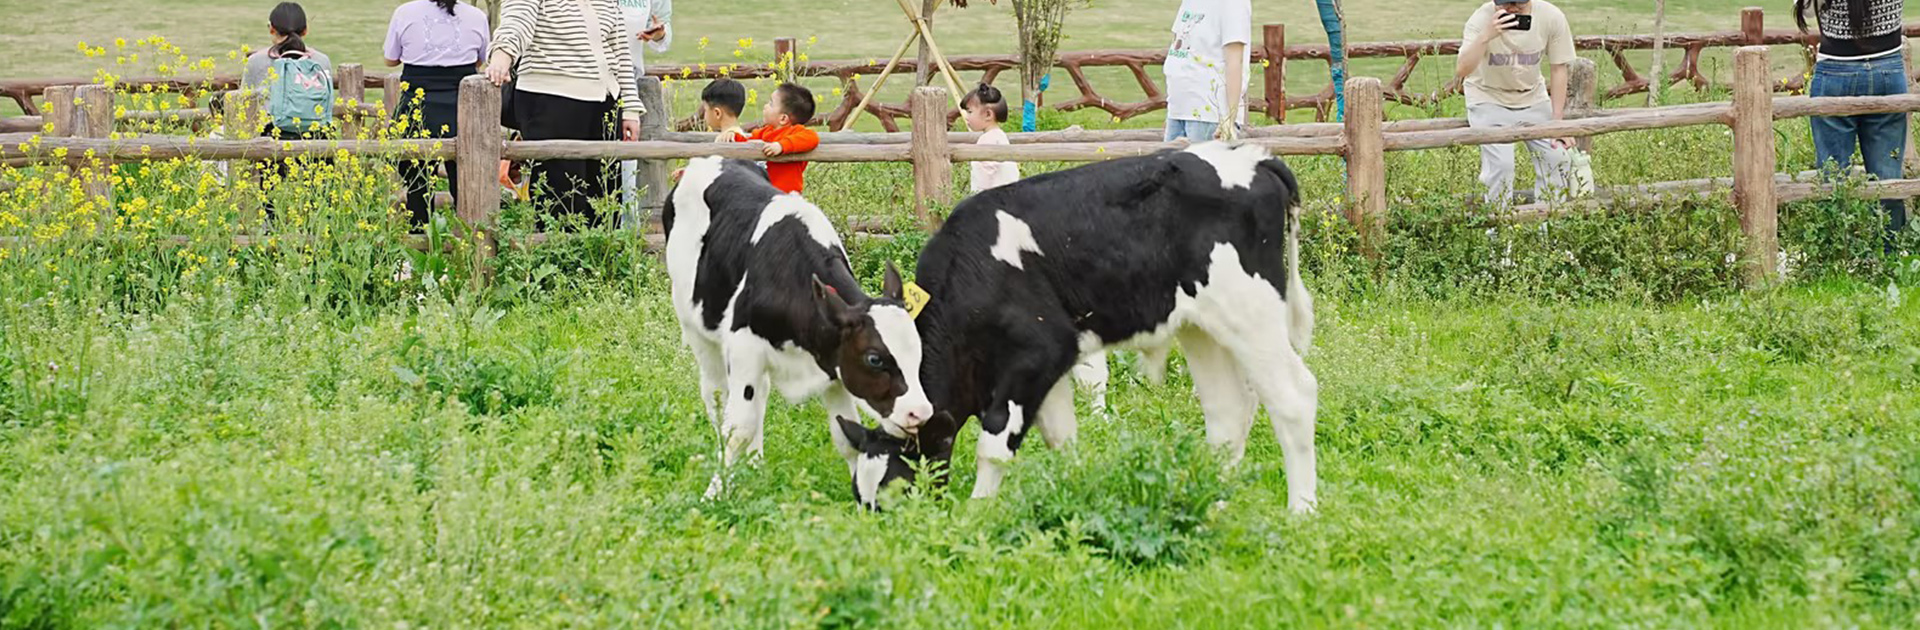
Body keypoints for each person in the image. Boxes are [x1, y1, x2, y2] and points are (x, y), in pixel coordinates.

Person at [487, 0, 644, 228]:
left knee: (604, 199)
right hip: (551, 100)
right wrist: (502, 56)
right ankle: (560, 251)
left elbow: (620, 49)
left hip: (604, 103)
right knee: (561, 200)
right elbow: (517, 21)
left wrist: (629, 107)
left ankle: (603, 250)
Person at [1796, 0, 1909, 246]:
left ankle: (1837, 252)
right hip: (1888, 68)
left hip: (1835, 70)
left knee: (1833, 174)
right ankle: (1892, 251)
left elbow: (1806, 10)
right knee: (1888, 174)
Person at [1455, 0, 1578, 207]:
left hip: (1533, 97)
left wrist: (1557, 122)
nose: (1512, 8)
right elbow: (1462, 70)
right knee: (1501, 165)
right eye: (1505, 4)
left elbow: (1559, 68)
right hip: (1487, 97)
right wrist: (1486, 36)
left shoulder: (1551, 16)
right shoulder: (1480, 19)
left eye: (1519, 4)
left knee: (1557, 157)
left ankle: (1549, 221)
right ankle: (1498, 223)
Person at [383, 0, 490, 228]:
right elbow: (481, 60)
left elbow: (391, 59)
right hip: (460, 105)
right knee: (464, 178)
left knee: (417, 180)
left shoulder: (404, 13)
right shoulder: (477, 16)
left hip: (418, 105)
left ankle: (419, 235)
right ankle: (471, 234)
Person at [1163, 0, 1251, 141]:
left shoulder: (1232, 4)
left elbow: (1235, 61)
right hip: (1179, 110)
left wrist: (1229, 119)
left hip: (1208, 114)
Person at [618, 0, 673, 225]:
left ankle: (627, 228)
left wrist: (659, 34)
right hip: (587, 74)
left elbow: (664, 35)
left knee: (627, 159)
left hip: (629, 78)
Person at [242, 2, 333, 101]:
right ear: (305, 31)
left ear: (272, 29)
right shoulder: (321, 61)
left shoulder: (256, 61)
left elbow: (244, 101)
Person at [747, 82, 819, 194]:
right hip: (764, 194)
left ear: (783, 119)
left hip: (787, 195)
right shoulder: (764, 132)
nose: (765, 106)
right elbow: (747, 143)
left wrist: (781, 146)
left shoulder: (794, 132)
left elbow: (812, 138)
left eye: (770, 103)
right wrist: (732, 134)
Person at [962, 83, 1018, 192]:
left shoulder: (988, 139)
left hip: (992, 198)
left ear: (988, 114)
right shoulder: (999, 135)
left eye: (970, 112)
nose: (966, 117)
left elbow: (984, 179)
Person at [700, 78, 748, 142]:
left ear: (717, 113)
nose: (704, 116)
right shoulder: (736, 135)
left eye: (705, 110)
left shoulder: (728, 139)